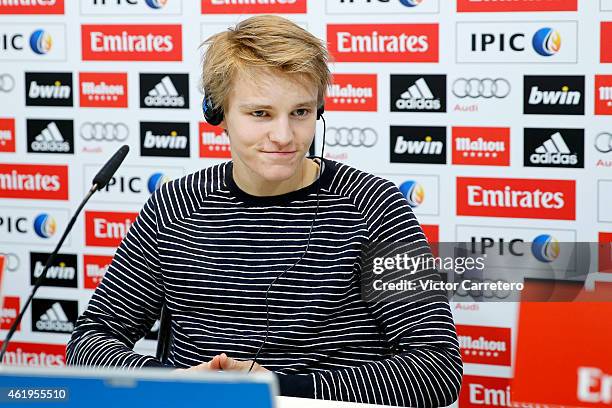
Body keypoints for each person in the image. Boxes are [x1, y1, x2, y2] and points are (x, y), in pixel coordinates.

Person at [67, 15, 463, 407]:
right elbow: (89, 341)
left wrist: (277, 386)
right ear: (217, 113)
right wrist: (170, 381)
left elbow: (436, 369)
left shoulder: (372, 205)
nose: (284, 136)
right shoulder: (174, 206)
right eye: (261, 114)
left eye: (301, 113)